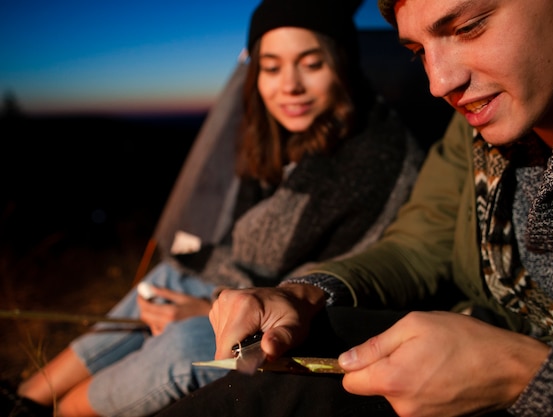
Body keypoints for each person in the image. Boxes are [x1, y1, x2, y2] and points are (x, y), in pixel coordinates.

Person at [154, 0, 553, 416]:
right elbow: (419, 244)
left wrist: (524, 376)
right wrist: (305, 292)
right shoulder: (474, 133)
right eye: (418, 52)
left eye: (468, 27)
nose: (439, 83)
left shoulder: (380, 150)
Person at [0, 0, 425, 416]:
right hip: (254, 289)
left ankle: (60, 411)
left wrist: (209, 308)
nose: (289, 85)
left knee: (186, 344)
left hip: (307, 322)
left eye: (311, 64)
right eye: (271, 67)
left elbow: (343, 281)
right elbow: (246, 259)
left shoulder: (374, 157)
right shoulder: (287, 140)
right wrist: (207, 295)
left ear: (344, 65)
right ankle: (29, 394)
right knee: (168, 276)